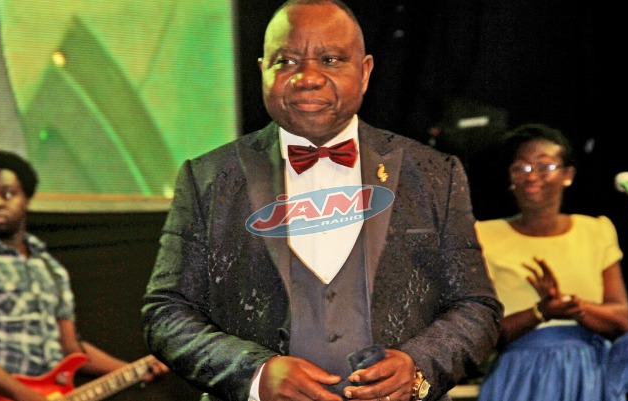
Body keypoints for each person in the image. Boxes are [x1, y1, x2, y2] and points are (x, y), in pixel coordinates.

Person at [141, 1, 503, 401]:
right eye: (286, 61)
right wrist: (255, 376)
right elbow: (166, 313)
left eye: (330, 60)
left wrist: (417, 367)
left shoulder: (435, 174)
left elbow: (476, 306)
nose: (308, 78)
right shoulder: (208, 177)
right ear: (263, 71)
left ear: (364, 72)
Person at [0, 150, 169, 401]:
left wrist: (134, 371)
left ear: (26, 199)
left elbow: (70, 349)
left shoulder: (51, 269)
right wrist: (26, 396)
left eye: (7, 193)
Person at [473, 123, 628, 401]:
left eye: (544, 166)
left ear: (568, 175)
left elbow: (621, 319)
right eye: (521, 168)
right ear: (511, 177)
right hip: (520, 376)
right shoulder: (483, 235)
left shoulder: (595, 230)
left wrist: (573, 307)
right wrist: (541, 311)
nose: (531, 176)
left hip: (590, 375)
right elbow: (480, 334)